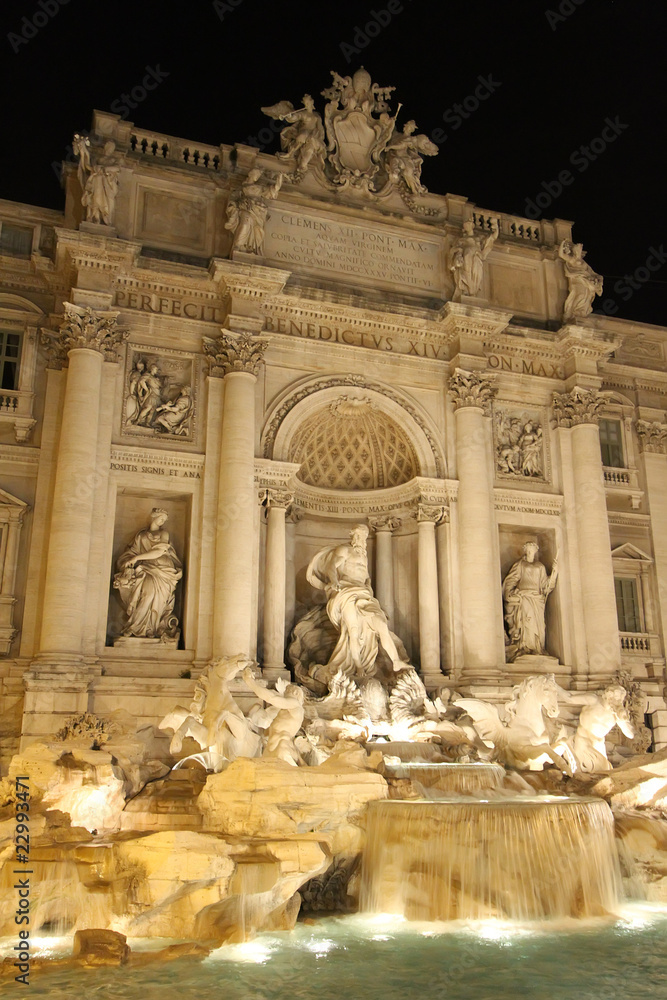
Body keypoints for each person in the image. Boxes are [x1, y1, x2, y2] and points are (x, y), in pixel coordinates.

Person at [306, 523, 409, 682]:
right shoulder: (344, 550)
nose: (361, 539)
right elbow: (331, 567)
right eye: (358, 536)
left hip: (364, 594)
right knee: (353, 631)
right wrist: (334, 581)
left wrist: (373, 597)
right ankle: (358, 666)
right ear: (352, 535)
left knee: (381, 625)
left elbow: (365, 577)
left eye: (364, 537)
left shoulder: (363, 555)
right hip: (346, 593)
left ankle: (396, 661)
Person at [113, 508, 182, 639]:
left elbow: (158, 552)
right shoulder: (141, 535)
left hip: (163, 569)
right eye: (161, 518)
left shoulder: (164, 533)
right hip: (146, 568)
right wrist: (129, 561)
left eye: (164, 520)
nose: (162, 522)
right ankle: (136, 626)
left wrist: (137, 558)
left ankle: (152, 628)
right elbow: (133, 552)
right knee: (147, 594)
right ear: (153, 517)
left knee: (158, 600)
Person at [502, 542, 558, 661]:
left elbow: (546, 586)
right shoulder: (520, 564)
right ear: (525, 551)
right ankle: (525, 647)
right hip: (524, 597)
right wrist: (509, 593)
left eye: (532, 550)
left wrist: (555, 572)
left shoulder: (540, 567)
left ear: (535, 551)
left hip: (537, 599)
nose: (530, 553)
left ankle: (537, 648)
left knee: (539, 626)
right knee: (527, 621)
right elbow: (511, 580)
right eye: (528, 550)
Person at [225, 169, 283, 254]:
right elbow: (232, 200)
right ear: (250, 174)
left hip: (258, 212)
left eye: (258, 175)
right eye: (255, 174)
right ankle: (238, 246)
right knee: (245, 224)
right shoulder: (241, 189)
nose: (256, 176)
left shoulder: (259, 189)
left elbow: (274, 190)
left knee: (257, 229)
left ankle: (250, 248)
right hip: (244, 209)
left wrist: (280, 178)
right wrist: (240, 203)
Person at [450, 218, 498, 300]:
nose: (467, 227)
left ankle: (472, 292)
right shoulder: (461, 240)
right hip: (466, 258)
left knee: (476, 274)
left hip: (476, 258)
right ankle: (467, 290)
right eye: (465, 226)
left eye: (468, 225)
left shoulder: (479, 238)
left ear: (472, 225)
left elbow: (492, 238)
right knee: (466, 273)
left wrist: (496, 227)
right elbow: (452, 250)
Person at [558, 240, 603, 322]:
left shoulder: (583, 262)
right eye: (579, 249)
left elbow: (591, 272)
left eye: (580, 249)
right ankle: (574, 311)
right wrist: (562, 243)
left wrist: (597, 279)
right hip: (577, 280)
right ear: (575, 250)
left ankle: (580, 311)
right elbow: (561, 254)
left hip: (585, 281)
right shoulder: (572, 259)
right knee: (580, 294)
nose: (580, 250)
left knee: (586, 295)